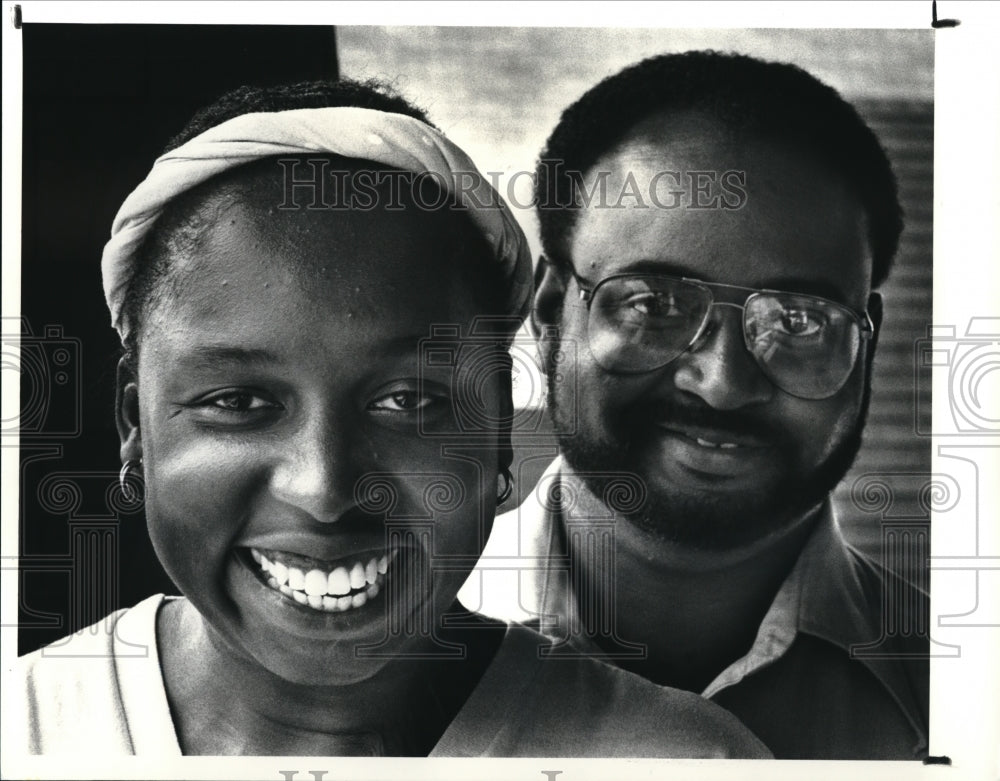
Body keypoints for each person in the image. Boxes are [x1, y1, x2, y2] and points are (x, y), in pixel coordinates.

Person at [13, 79, 771, 759]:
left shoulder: (683, 760)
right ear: (134, 423)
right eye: (238, 402)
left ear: (499, 424)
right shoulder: (26, 731)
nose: (323, 489)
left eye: (407, 401)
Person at [461, 51, 929, 759]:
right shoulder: (373, 654)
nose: (723, 383)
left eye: (799, 320)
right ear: (552, 308)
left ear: (865, 341)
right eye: (653, 302)